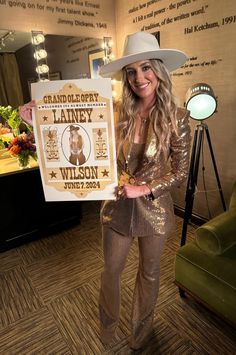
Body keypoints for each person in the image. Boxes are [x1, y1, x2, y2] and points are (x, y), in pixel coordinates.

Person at [98, 31, 191, 350]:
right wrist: (37, 114)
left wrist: (147, 188)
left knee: (149, 274)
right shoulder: (115, 112)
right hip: (117, 206)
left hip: (154, 212)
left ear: (159, 71)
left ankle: (140, 333)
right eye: (131, 71)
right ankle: (107, 328)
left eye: (146, 67)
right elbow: (72, 122)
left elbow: (180, 172)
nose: (139, 77)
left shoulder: (177, 118)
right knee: (111, 271)